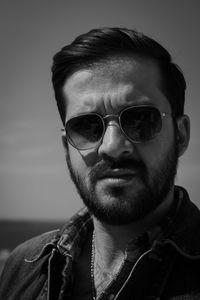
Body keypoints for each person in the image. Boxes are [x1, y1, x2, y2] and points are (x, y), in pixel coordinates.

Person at [0, 27, 200, 300]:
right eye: (87, 126)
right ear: (65, 145)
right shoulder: (21, 267)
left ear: (181, 135)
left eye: (141, 120)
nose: (112, 146)